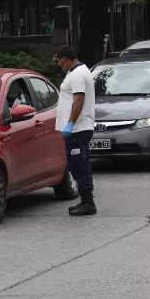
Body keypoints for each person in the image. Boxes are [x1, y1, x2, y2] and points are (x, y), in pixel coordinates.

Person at [53, 46, 97, 216]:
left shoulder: (78, 75)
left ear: (66, 59)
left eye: (58, 62)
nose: (58, 65)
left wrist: (70, 124)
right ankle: (86, 200)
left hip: (78, 129)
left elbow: (78, 101)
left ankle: (88, 203)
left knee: (79, 165)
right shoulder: (77, 72)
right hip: (77, 129)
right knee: (81, 164)